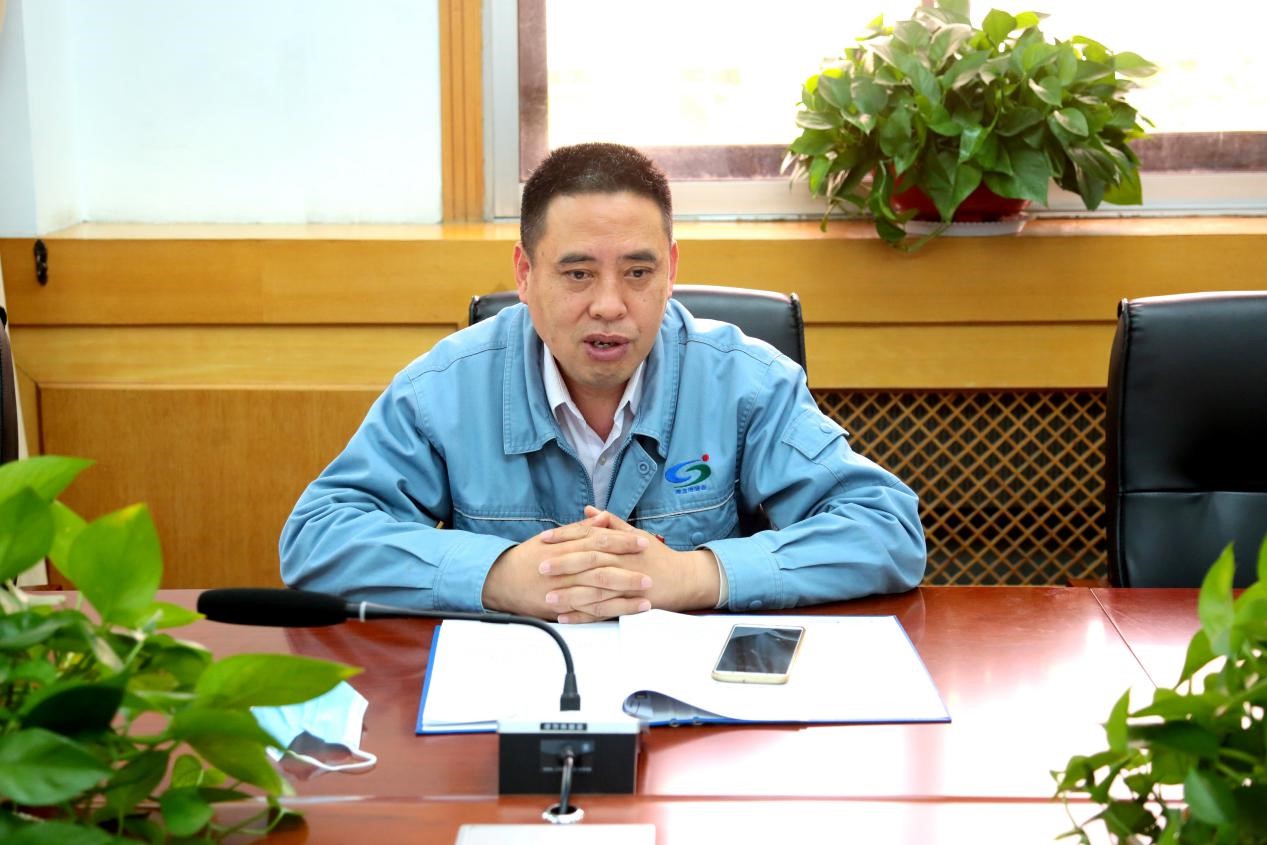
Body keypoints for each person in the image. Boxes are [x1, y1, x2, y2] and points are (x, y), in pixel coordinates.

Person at [280, 142, 925, 623]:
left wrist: (693, 576)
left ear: (671, 270)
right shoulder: (445, 387)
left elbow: (886, 529)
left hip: (694, 705)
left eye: (639, 273)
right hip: (513, 691)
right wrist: (499, 576)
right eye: (578, 274)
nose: (610, 306)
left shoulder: (745, 381)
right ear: (525, 273)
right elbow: (317, 537)